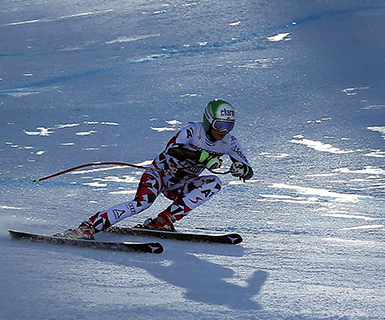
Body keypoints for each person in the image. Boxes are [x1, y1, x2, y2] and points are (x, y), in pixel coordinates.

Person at [58, 99, 254, 239]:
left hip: (179, 185)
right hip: (159, 175)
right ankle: (88, 227)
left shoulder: (229, 142)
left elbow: (247, 168)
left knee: (214, 183)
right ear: (208, 121)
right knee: (141, 204)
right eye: (220, 125)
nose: (224, 131)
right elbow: (173, 150)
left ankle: (162, 221)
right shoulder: (193, 130)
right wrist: (203, 157)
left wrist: (241, 169)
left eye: (230, 125)